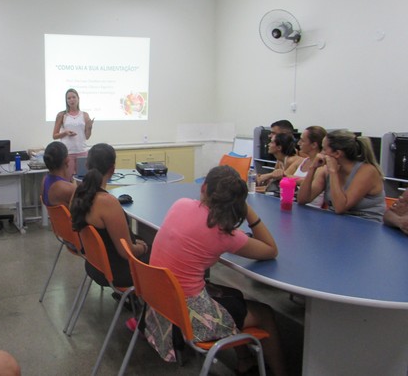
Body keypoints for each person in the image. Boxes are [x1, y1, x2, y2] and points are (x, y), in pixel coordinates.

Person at [145, 166, 287, 375]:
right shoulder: (224, 233)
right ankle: (281, 372)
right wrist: (248, 211)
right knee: (265, 313)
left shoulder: (180, 204)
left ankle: (245, 360)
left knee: (234, 296)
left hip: (159, 302)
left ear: (203, 187)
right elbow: (270, 250)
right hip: (189, 316)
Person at [70, 143, 148, 288]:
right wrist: (144, 248)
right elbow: (126, 252)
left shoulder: (77, 194)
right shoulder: (108, 203)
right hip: (118, 273)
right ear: (112, 169)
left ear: (86, 165)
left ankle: (133, 301)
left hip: (94, 266)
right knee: (156, 250)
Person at [297, 129, 385, 221]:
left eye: (324, 149)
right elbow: (302, 199)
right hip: (338, 222)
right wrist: (312, 168)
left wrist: (333, 172)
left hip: (366, 223)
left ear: (337, 153)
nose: (320, 154)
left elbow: (340, 207)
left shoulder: (367, 171)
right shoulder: (326, 171)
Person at [52, 88, 94, 179]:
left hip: (82, 152)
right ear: (66, 101)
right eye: (69, 98)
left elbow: (87, 136)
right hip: (68, 153)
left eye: (73, 97)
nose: (71, 100)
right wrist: (65, 133)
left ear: (78, 98)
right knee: (68, 180)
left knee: (83, 181)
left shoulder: (85, 115)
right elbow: (54, 136)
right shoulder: (62, 115)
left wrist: (89, 127)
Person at [291, 126, 327, 207]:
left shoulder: (322, 167)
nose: (298, 143)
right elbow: (284, 176)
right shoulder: (303, 161)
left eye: (302, 140)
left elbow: (287, 177)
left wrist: (295, 179)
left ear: (314, 145)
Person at [41, 141, 76, 208]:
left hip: (56, 218)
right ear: (67, 160)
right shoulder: (68, 188)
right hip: (71, 218)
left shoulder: (45, 180)